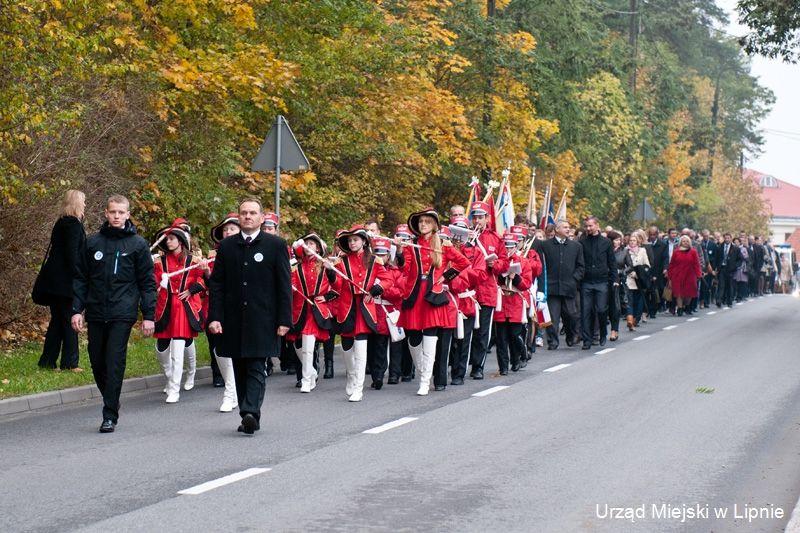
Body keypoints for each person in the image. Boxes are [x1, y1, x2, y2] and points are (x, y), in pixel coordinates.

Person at [71, 194, 156, 433]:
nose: (117, 216)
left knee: (114, 359)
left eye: (121, 212)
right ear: (106, 214)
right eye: (113, 212)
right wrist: (77, 310)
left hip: (123, 311)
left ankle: (109, 414)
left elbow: (147, 283)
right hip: (97, 310)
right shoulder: (92, 243)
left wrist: (148, 315)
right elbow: (80, 278)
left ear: (128, 214)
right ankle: (112, 396)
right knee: (97, 361)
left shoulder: (138, 245)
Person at [207, 198, 292, 435]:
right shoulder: (226, 246)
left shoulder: (276, 245)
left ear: (261, 217)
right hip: (233, 318)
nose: (247, 216)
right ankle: (248, 413)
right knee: (239, 366)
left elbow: (284, 285)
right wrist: (215, 317)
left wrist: (285, 319)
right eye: (243, 213)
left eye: (252, 213)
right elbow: (217, 285)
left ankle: (250, 412)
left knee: (256, 364)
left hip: (264, 318)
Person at [397, 208, 470, 395]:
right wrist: (399, 250)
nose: (423, 225)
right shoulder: (412, 244)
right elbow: (404, 268)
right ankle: (423, 373)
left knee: (430, 340)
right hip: (415, 294)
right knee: (413, 340)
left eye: (427, 222)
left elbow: (463, 263)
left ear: (435, 226)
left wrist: (444, 278)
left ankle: (424, 382)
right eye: (421, 221)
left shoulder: (443, 244)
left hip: (433, 294)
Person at [331, 225, 390, 402]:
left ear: (364, 241)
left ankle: (358, 388)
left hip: (365, 307)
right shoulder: (341, 262)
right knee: (347, 350)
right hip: (348, 308)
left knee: (361, 349)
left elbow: (388, 279)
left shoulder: (374, 260)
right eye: (349, 240)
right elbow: (337, 286)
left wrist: (374, 290)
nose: (352, 243)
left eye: (355, 239)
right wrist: (329, 271)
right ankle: (351, 375)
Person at [153, 219, 205, 403]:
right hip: (164, 307)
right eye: (166, 239)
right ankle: (170, 377)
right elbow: (151, 282)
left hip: (183, 307)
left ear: (181, 241)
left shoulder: (193, 261)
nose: (168, 241)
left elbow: (203, 281)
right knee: (161, 349)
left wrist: (191, 290)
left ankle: (175, 388)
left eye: (172, 238)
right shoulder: (159, 262)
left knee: (178, 348)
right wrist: (159, 283)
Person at [36, 189, 87, 372]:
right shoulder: (73, 224)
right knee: (69, 320)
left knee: (57, 321)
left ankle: (47, 361)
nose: (85, 205)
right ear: (77, 203)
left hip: (53, 281)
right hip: (65, 282)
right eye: (83, 201)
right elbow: (72, 255)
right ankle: (70, 363)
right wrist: (81, 276)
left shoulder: (60, 222)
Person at [288, 233, 336, 393]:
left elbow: (337, 286)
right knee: (297, 345)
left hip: (316, 310)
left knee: (308, 345)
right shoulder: (296, 267)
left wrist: (326, 294)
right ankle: (312, 372)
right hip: (299, 310)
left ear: (318, 247)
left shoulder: (324, 265)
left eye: (312, 244)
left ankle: (306, 380)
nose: (308, 247)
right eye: (306, 244)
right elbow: (291, 288)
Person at [465, 201, 508, 379]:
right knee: (466, 332)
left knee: (483, 332)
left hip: (486, 291)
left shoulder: (496, 238)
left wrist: (495, 264)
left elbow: (505, 262)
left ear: (487, 218)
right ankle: (460, 366)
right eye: (474, 217)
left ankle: (478, 367)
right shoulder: (464, 236)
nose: (477, 221)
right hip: (467, 290)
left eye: (481, 217)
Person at [204, 212, 240, 412]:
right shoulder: (214, 255)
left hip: (244, 308)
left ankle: (234, 392)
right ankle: (230, 390)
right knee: (219, 347)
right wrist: (205, 272)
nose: (228, 232)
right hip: (220, 306)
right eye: (225, 229)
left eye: (232, 229)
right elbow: (213, 285)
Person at [536, 219, 584, 349]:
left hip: (569, 287)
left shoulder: (576, 246)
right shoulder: (545, 245)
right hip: (552, 287)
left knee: (571, 315)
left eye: (569, 227)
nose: (568, 229)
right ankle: (553, 341)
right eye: (565, 227)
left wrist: (574, 279)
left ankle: (570, 335)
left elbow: (581, 267)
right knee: (552, 317)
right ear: (557, 230)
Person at [493, 232, 534, 373]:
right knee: (501, 338)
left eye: (511, 247)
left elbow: (527, 284)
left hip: (516, 301)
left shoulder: (524, 261)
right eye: (506, 246)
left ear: (516, 246)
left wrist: (515, 277)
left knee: (515, 335)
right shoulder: (498, 260)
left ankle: (518, 358)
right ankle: (503, 367)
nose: (508, 249)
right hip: (502, 300)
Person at [578, 216, 616, 349]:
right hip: (586, 281)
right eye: (586, 226)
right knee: (586, 311)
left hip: (602, 281)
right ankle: (587, 340)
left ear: (597, 225)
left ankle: (602, 332)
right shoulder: (582, 241)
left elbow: (612, 262)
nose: (588, 228)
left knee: (601, 309)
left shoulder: (606, 242)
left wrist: (614, 279)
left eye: (590, 226)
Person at [667, 235, 702, 316]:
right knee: (678, 293)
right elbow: (672, 264)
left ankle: (686, 306)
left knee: (689, 294)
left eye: (687, 241)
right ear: (680, 242)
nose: (685, 243)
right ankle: (679, 308)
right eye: (683, 241)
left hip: (690, 275)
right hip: (677, 275)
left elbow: (696, 264)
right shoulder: (676, 251)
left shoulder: (693, 251)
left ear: (689, 242)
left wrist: (699, 274)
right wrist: (670, 275)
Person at [623, 231, 649, 330]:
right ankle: (629, 320)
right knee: (629, 300)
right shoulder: (625, 250)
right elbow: (622, 263)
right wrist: (628, 272)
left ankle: (635, 320)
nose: (632, 242)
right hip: (628, 279)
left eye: (634, 240)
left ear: (638, 242)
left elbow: (647, 264)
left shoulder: (642, 251)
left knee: (638, 301)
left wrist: (638, 273)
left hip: (639, 280)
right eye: (630, 240)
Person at [606, 231, 626, 341]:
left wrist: (621, 272)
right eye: (616, 239)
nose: (618, 242)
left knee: (615, 306)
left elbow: (630, 266)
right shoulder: (604, 250)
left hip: (617, 281)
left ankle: (614, 330)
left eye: (619, 240)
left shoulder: (623, 251)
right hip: (604, 279)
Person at [713, 233, 740, 307]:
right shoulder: (720, 247)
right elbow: (716, 258)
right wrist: (715, 268)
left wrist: (735, 266)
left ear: (731, 239)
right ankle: (719, 300)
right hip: (722, 268)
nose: (727, 239)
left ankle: (729, 301)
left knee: (729, 286)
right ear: (724, 238)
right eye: (725, 238)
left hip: (731, 269)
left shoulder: (735, 248)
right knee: (721, 285)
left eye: (728, 238)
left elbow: (739, 259)